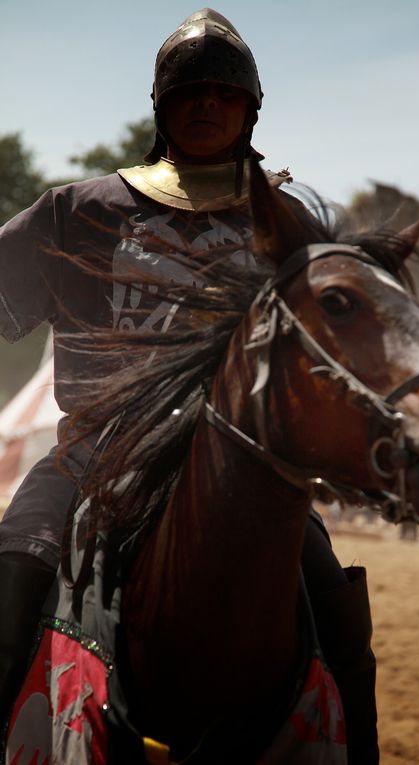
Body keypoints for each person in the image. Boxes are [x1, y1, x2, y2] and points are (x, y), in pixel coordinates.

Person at [0, 9, 378, 762]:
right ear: (162, 107)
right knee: (13, 571)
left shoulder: (288, 221)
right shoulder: (77, 212)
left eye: (223, 92)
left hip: (245, 463)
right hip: (95, 454)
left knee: (334, 602)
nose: (206, 104)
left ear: (249, 109)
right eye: (189, 92)